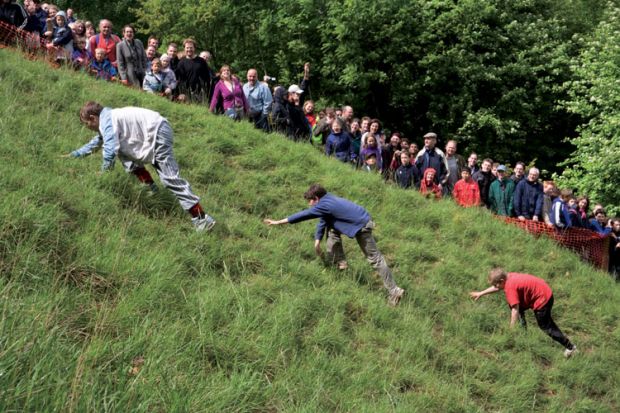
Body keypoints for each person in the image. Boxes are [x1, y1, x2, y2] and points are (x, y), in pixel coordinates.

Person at [67, 101, 215, 231]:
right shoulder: (109, 118)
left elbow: (109, 150)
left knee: (169, 178)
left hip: (157, 131)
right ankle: (152, 191)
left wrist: (105, 174)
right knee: (126, 156)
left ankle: (201, 218)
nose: (88, 128)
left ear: (93, 118)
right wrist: (73, 155)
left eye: (87, 124)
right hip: (155, 130)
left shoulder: (108, 120)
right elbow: (97, 142)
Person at [263, 184, 405, 306]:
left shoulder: (324, 204)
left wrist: (278, 222)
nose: (309, 204)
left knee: (375, 259)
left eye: (310, 201)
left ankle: (394, 291)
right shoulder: (328, 201)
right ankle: (340, 262)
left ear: (316, 199)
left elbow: (304, 215)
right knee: (332, 230)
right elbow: (324, 221)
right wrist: (317, 241)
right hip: (361, 220)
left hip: (361, 225)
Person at [470, 268, 577, 358]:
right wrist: (481, 293)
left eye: (496, 285)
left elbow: (515, 310)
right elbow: (499, 289)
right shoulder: (509, 277)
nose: (496, 287)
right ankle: (523, 331)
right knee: (516, 302)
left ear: (502, 281)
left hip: (543, 299)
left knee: (546, 326)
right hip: (544, 290)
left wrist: (511, 328)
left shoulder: (510, 287)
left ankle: (571, 347)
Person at [175, 38, 214, 103]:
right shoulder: (181, 62)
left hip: (200, 94)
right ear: (184, 48)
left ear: (194, 48)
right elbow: (179, 79)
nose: (189, 49)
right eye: (187, 48)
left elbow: (207, 77)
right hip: (186, 94)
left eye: (191, 47)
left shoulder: (201, 61)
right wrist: (181, 93)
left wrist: (207, 93)